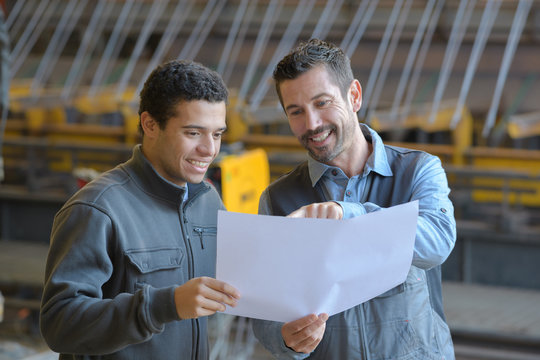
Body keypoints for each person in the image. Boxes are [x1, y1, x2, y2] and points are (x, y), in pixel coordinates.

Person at [251, 39, 456, 359]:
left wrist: (347, 216)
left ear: (354, 96)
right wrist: (286, 339)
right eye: (296, 112)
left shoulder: (417, 171)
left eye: (322, 103)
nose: (312, 124)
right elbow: (264, 314)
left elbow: (438, 242)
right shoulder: (279, 200)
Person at [40, 60, 241, 359]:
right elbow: (60, 324)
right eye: (193, 133)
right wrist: (165, 305)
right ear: (150, 124)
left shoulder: (208, 199)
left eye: (217, 134)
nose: (210, 149)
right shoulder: (98, 209)